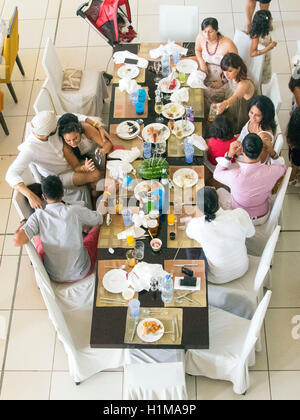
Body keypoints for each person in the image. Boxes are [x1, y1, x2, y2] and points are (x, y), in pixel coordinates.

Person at [13, 175, 103, 283]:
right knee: (96, 231)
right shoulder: (74, 210)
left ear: (44, 197)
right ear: (63, 193)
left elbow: (17, 240)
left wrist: (23, 224)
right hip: (81, 272)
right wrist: (107, 194)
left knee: (38, 240)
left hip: (54, 276)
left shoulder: (38, 216)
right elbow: (99, 219)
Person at [5, 111, 103, 210]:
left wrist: (98, 126)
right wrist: (30, 195)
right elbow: (10, 174)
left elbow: (74, 117)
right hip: (60, 176)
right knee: (96, 176)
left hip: (74, 162)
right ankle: (96, 205)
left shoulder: (51, 121)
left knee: (99, 178)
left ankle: (95, 197)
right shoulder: (30, 149)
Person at [186, 187, 255, 284]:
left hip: (218, 278)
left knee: (191, 247)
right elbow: (251, 233)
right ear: (218, 200)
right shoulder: (239, 214)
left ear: (199, 208)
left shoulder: (197, 225)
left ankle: (195, 281)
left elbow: (188, 233)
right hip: (243, 268)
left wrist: (198, 216)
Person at [214, 133, 286, 224]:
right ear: (261, 151)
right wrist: (272, 152)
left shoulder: (234, 175)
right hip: (262, 217)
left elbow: (216, 174)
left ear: (242, 151)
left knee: (220, 190)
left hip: (239, 218)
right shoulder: (271, 171)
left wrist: (229, 155)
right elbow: (283, 167)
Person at [195, 17, 237, 110]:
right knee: (195, 89)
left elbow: (236, 66)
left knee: (215, 96)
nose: (207, 35)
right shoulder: (200, 37)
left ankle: (214, 114)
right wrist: (202, 63)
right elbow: (197, 50)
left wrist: (223, 81)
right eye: (205, 31)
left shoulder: (227, 44)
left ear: (217, 30)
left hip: (224, 73)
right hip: (206, 69)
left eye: (210, 31)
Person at [216, 53, 256, 133]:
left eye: (230, 71)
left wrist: (225, 103)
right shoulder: (232, 76)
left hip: (240, 114)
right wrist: (223, 81)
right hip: (230, 107)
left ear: (238, 68)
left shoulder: (244, 83)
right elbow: (227, 79)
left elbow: (236, 96)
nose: (226, 74)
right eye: (224, 70)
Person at [237, 95, 277, 162]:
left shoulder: (263, 136)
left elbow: (259, 162)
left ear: (265, 116)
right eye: (251, 112)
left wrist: (239, 152)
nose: (252, 117)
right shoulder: (255, 121)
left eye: (257, 115)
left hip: (247, 163)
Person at [249, 10, 277, 84]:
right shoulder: (256, 36)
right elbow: (252, 53)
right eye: (271, 18)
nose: (272, 19)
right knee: (259, 73)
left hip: (266, 56)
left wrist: (270, 42)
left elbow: (268, 37)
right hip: (260, 57)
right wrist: (268, 47)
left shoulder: (267, 29)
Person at [287, 106, 300, 186]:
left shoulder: (292, 130)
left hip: (293, 152)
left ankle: (291, 177)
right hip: (297, 156)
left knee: (294, 166)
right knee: (294, 168)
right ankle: (291, 179)